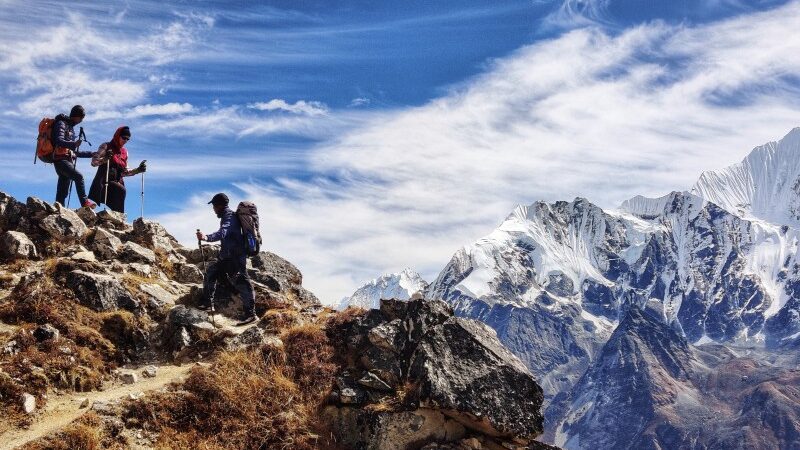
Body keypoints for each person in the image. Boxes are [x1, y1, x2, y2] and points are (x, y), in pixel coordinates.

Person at [196, 193, 257, 326]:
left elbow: (223, 232)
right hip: (227, 257)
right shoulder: (226, 216)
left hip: (235, 257)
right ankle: (207, 303)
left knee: (243, 283)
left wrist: (206, 237)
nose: (213, 209)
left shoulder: (229, 216)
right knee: (211, 272)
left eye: (213, 206)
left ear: (219, 205)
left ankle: (251, 315)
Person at [88, 126, 146, 213]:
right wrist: (104, 159)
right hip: (104, 183)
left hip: (116, 183)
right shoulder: (106, 146)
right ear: (117, 135)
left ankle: (116, 219)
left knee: (120, 192)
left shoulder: (124, 152)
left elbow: (124, 172)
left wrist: (138, 170)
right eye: (124, 138)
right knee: (121, 190)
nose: (125, 141)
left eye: (128, 139)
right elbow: (93, 162)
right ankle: (120, 218)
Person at [53, 105, 96, 208]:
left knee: (63, 191)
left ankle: (59, 209)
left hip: (65, 160)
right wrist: (73, 144)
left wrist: (91, 154)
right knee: (78, 177)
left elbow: (74, 153)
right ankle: (85, 203)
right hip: (60, 160)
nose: (81, 121)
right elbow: (58, 140)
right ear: (76, 116)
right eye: (81, 118)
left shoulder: (70, 128)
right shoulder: (61, 123)